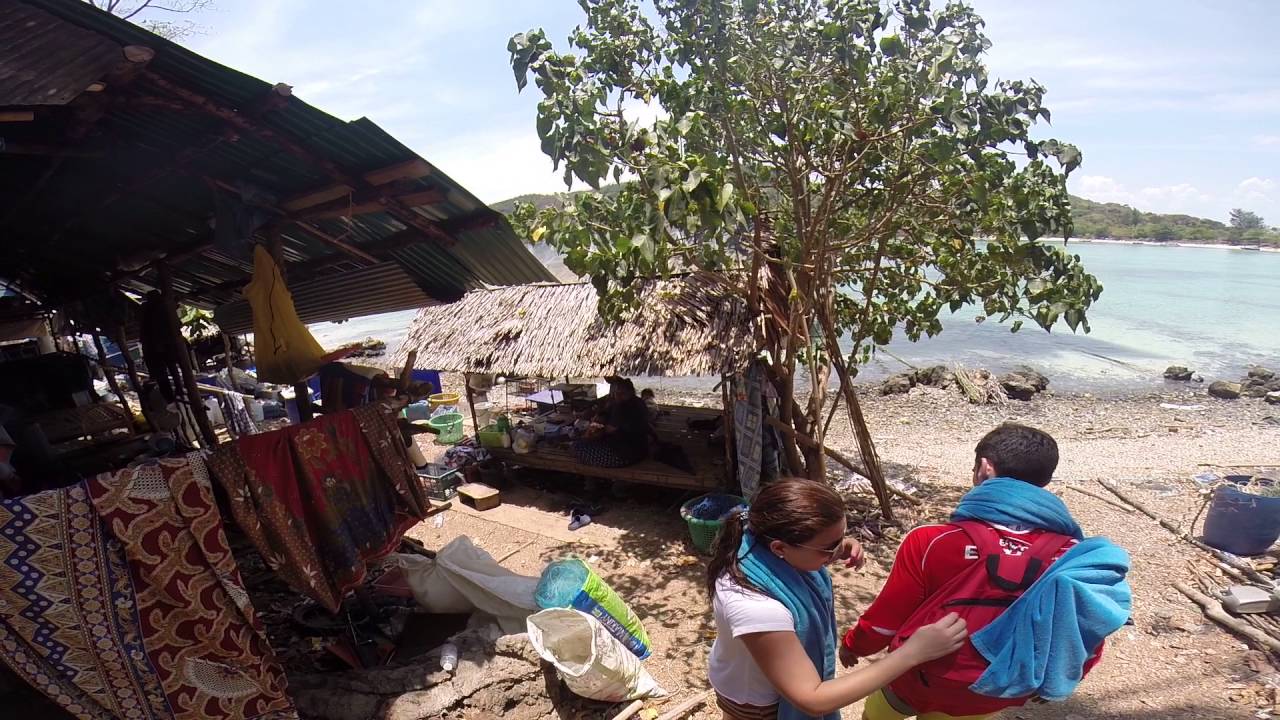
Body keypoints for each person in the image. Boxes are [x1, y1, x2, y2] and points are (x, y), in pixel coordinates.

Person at [843, 423, 1131, 720]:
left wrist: (854, 645)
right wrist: (1060, 677)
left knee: (882, 711)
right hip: (993, 687)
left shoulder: (931, 540)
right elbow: (1086, 625)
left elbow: (885, 622)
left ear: (984, 469)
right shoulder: (1072, 552)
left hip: (917, 677)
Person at [707, 479, 969, 720]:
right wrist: (913, 653)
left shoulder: (756, 543)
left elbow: (810, 549)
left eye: (842, 536)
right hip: (756, 704)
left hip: (742, 673)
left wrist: (840, 546)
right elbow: (813, 697)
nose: (839, 548)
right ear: (779, 548)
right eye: (828, 546)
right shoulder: (757, 607)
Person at [571, 377, 652, 468]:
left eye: (621, 394)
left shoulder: (623, 406)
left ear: (630, 392)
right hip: (641, 449)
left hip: (624, 455)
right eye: (616, 393)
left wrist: (595, 429)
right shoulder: (639, 402)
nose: (617, 396)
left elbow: (610, 430)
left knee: (578, 446)